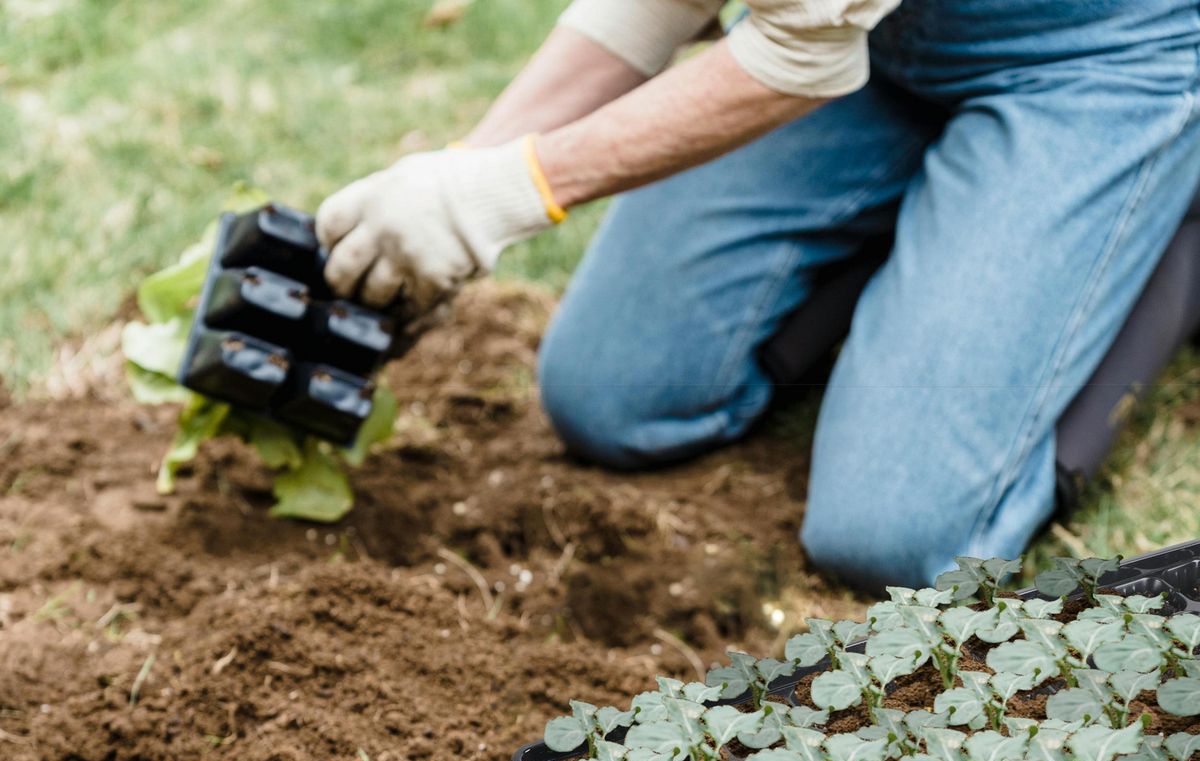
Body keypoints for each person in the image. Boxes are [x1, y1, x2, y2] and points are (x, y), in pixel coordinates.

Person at [316, 0, 1200, 591]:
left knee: (894, 539)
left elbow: (794, 48)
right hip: (882, 39)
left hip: (1095, 51)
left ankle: (1163, 230)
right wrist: (464, 174)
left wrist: (502, 198)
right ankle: (944, 227)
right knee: (611, 395)